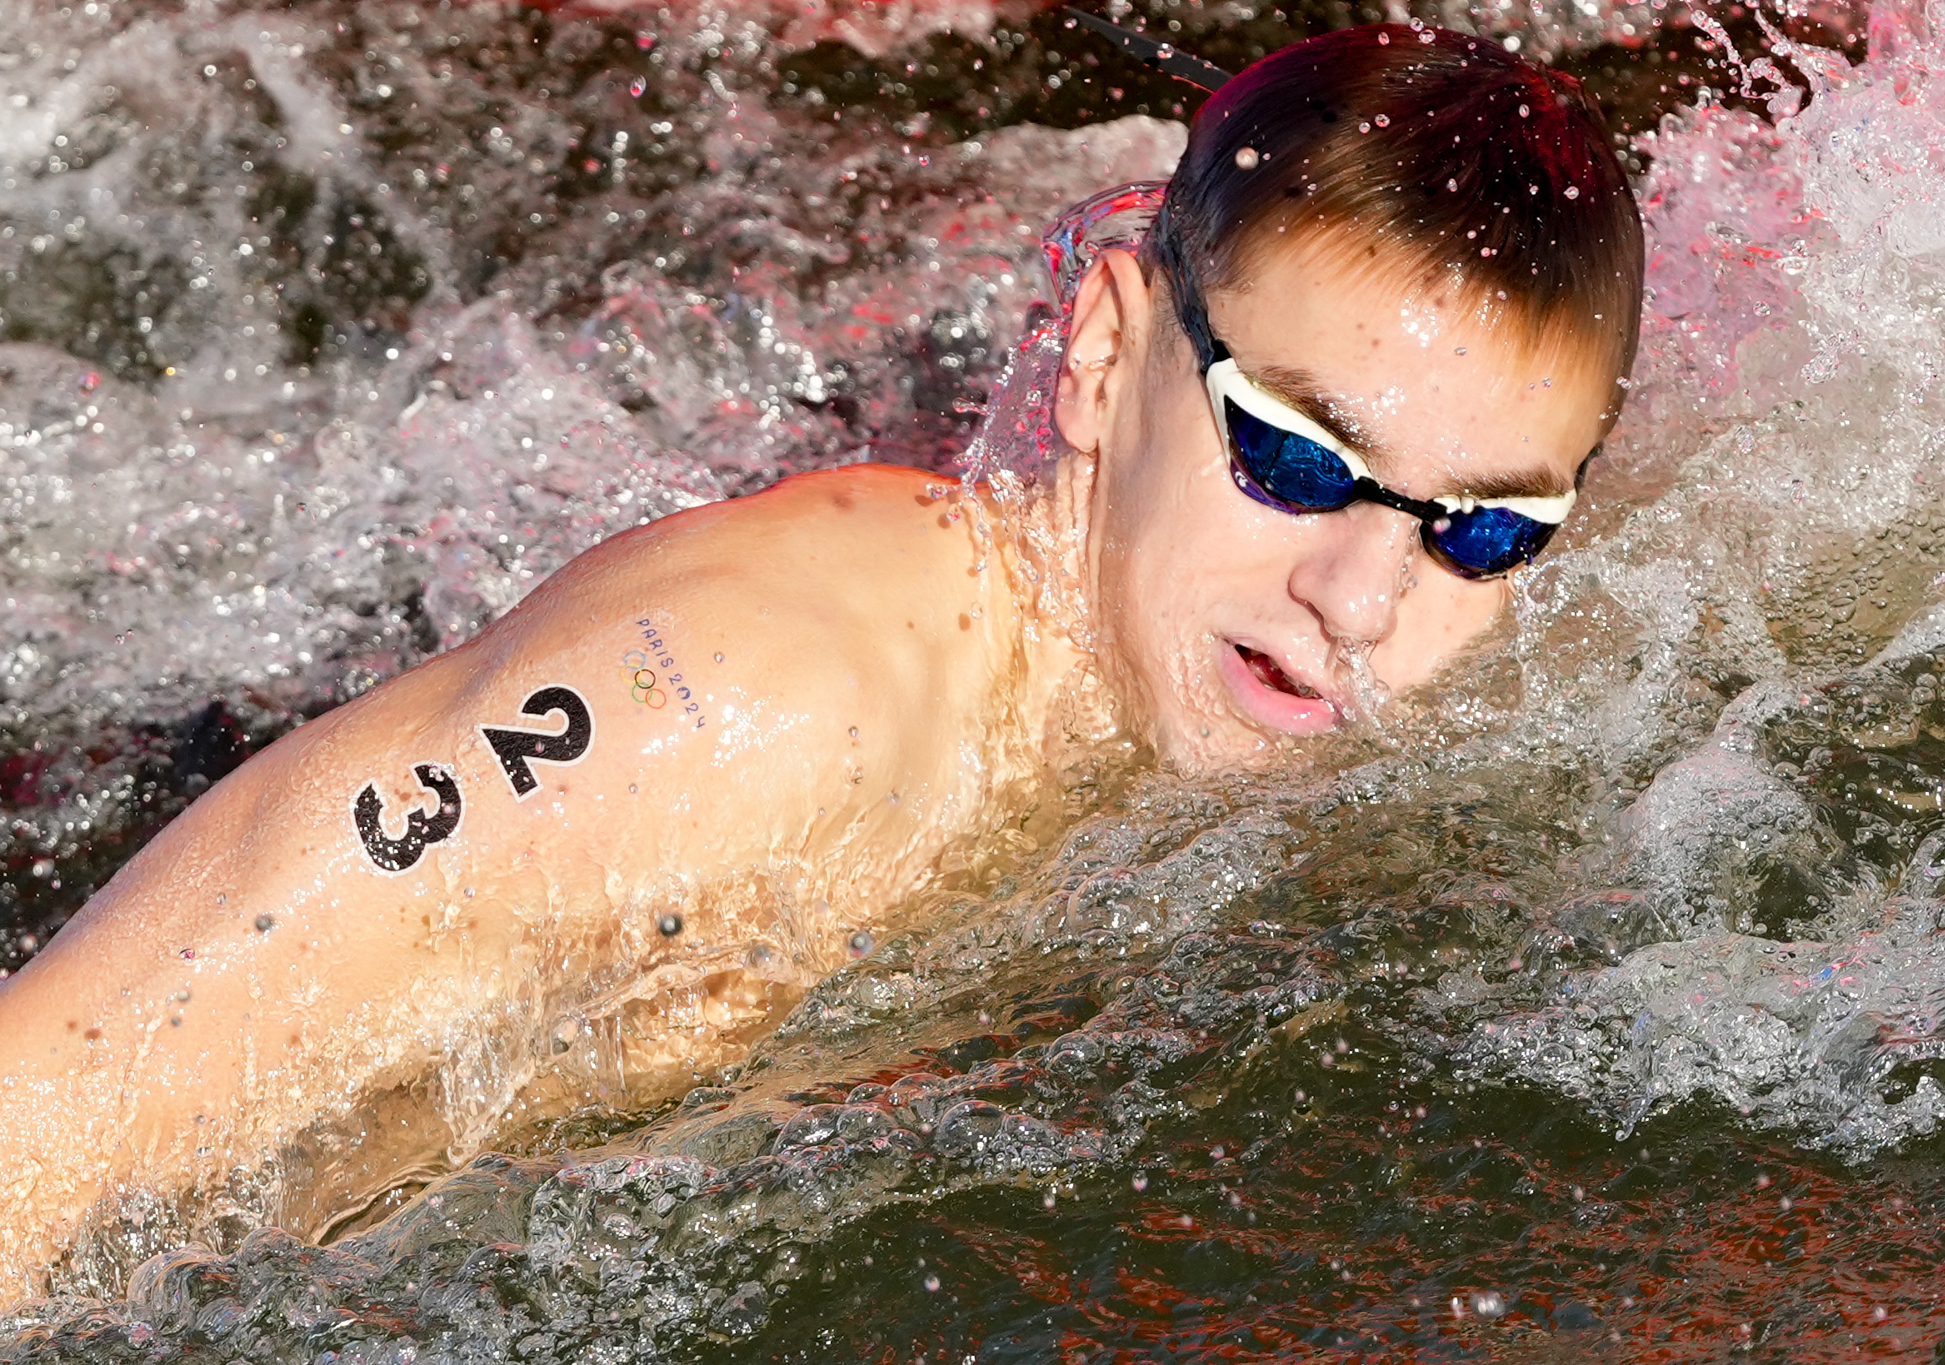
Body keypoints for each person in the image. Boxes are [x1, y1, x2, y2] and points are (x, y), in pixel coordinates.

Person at [0, 22, 1642, 1302]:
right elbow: (53, 1110)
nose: (1364, 595)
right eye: (1290, 455)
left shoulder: (1234, 675)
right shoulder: (743, 703)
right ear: (1102, 355)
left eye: (1481, 532)